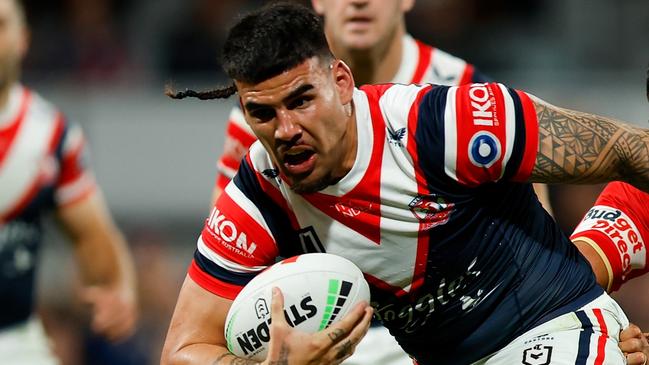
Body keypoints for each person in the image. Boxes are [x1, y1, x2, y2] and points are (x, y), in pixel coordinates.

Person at [161, 3, 649, 365]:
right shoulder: (257, 194)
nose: (285, 130)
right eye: (262, 114)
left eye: (302, 100)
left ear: (342, 82)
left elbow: (626, 151)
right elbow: (182, 349)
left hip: (549, 331)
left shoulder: (447, 119)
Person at [212, 0, 552, 217]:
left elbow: (536, 226)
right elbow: (231, 244)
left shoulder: (466, 93)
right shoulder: (268, 116)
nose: (359, 2)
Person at [0, 0, 138, 363]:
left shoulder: (50, 135)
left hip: (14, 338)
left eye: (0, 25)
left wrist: (118, 286)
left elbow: (94, 234)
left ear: (23, 38)